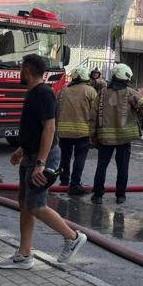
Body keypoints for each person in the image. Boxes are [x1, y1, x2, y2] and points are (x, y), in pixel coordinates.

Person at [0, 54, 86, 270]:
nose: (19, 73)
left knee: (36, 206)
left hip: (41, 157)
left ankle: (72, 237)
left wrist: (41, 162)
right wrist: (21, 149)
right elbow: (36, 128)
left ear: (26, 70)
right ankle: (24, 254)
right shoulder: (34, 93)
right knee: (25, 204)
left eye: (20, 69)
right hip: (31, 154)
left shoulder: (43, 93)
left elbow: (49, 128)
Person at [91, 64, 143, 205]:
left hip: (105, 137)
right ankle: (120, 195)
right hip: (124, 137)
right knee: (122, 167)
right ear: (126, 78)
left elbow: (92, 114)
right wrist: (138, 116)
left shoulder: (103, 92)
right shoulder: (130, 93)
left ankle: (98, 196)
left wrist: (92, 134)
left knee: (101, 166)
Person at [57, 66, 98, 196]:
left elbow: (56, 109)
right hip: (83, 132)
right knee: (80, 157)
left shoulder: (63, 91)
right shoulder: (91, 91)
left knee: (65, 157)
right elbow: (96, 112)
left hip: (63, 132)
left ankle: (63, 181)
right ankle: (75, 184)